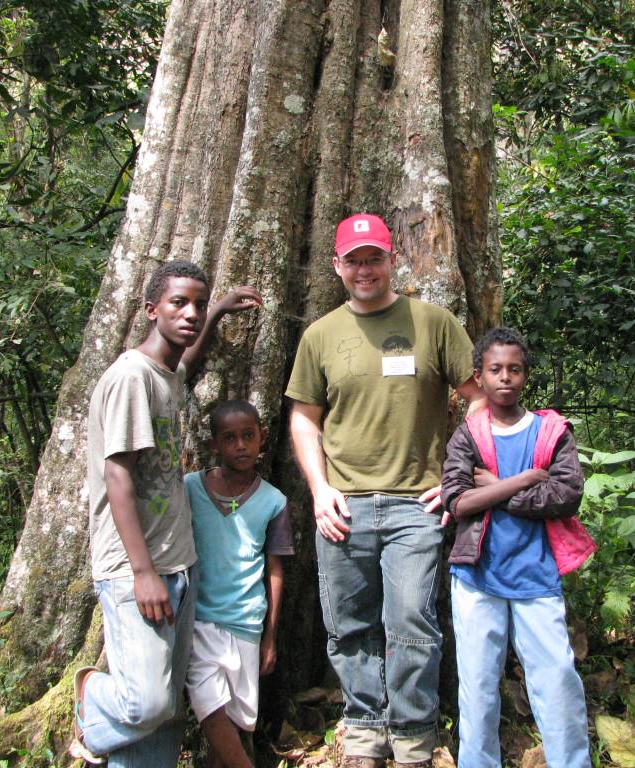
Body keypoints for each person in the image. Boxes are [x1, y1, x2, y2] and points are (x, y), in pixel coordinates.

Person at [286, 213, 482, 768]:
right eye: (354, 260)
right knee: (348, 626)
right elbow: (304, 421)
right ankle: (366, 727)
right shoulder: (320, 335)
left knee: (412, 623)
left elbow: (480, 398)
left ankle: (415, 732)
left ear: (392, 259)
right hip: (343, 504)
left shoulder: (432, 322)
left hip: (415, 503)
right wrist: (319, 490)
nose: (365, 269)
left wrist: (455, 476)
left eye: (374, 258)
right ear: (337, 266)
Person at [73, 260, 262, 767]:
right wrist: (142, 573)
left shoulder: (164, 373)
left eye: (198, 303)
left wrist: (218, 313)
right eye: (179, 303)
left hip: (180, 562)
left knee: (169, 709)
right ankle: (90, 700)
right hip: (138, 569)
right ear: (150, 309)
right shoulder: (131, 377)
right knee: (148, 701)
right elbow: (118, 476)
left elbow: (184, 365)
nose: (191, 313)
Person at [440, 326, 594, 768]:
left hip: (537, 575)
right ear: (479, 376)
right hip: (477, 577)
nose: (505, 378)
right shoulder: (467, 435)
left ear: (526, 375)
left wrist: (499, 489)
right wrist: (525, 480)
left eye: (514, 369)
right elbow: (458, 499)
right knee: (478, 684)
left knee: (557, 678)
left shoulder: (550, 431)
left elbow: (567, 494)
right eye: (495, 370)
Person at [185, 400, 294, 768]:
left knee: (237, 719)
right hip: (198, 620)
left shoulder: (273, 501)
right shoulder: (190, 489)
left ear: (262, 437)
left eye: (249, 436)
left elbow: (274, 568)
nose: (241, 446)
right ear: (214, 444)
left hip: (247, 623)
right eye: (229, 438)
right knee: (209, 706)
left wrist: (270, 636)